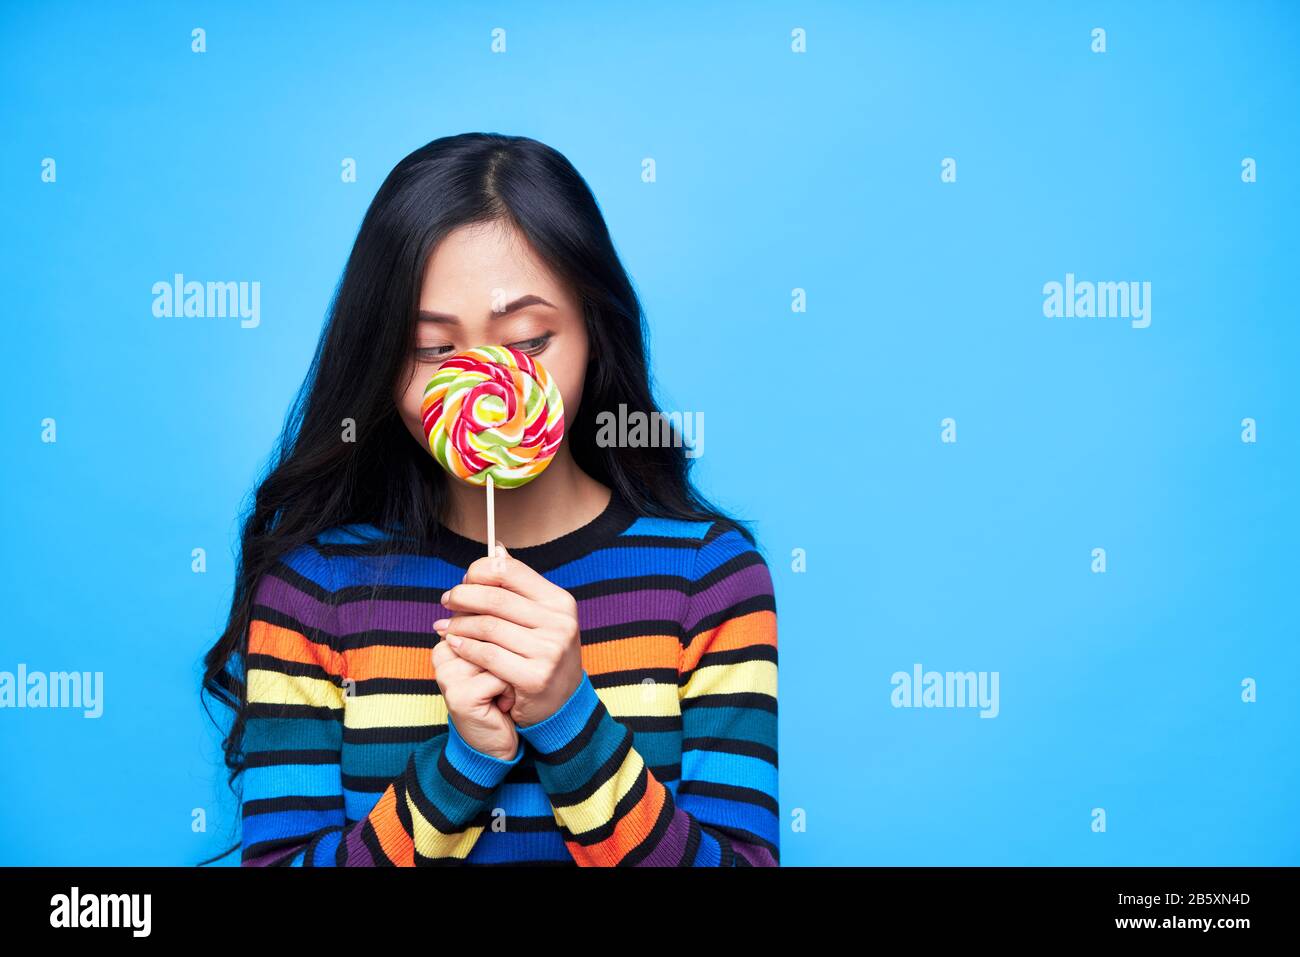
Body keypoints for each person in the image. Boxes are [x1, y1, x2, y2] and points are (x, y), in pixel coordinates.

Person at [197, 132, 778, 866]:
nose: (482, 381)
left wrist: (571, 721)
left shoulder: (710, 578)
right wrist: (460, 764)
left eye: (529, 339)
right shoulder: (315, 590)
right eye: (436, 350)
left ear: (595, 332)